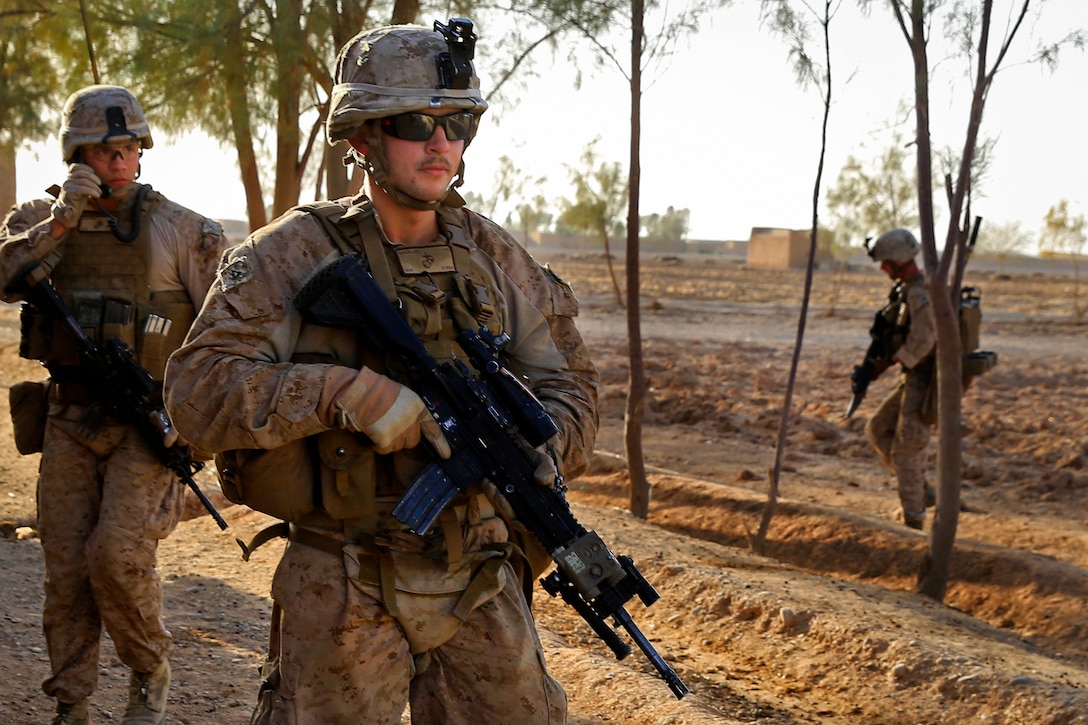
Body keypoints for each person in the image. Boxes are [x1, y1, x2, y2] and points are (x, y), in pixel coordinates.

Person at [162, 19, 599, 725]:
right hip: (341, 574)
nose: (441, 144)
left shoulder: (494, 255)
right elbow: (196, 392)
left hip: (479, 573)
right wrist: (344, 394)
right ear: (362, 136)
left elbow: (574, 386)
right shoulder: (289, 254)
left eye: (459, 124)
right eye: (415, 122)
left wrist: (537, 449)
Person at [0, 85, 228, 725]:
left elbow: (225, 331)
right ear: (77, 155)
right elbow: (3, 276)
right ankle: (71, 701)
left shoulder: (183, 229)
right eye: (105, 150)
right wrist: (62, 222)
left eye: (130, 148)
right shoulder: (39, 221)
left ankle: (148, 670)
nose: (121, 161)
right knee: (66, 567)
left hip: (145, 422)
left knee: (117, 557)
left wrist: (197, 429)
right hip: (69, 418)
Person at [861, 228, 937, 531]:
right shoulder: (906, 289)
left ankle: (914, 519)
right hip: (914, 376)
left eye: (885, 262)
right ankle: (923, 491)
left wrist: (891, 362)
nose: (882, 268)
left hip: (927, 380)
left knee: (908, 449)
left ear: (897, 260)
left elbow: (923, 339)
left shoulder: (920, 293)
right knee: (878, 429)